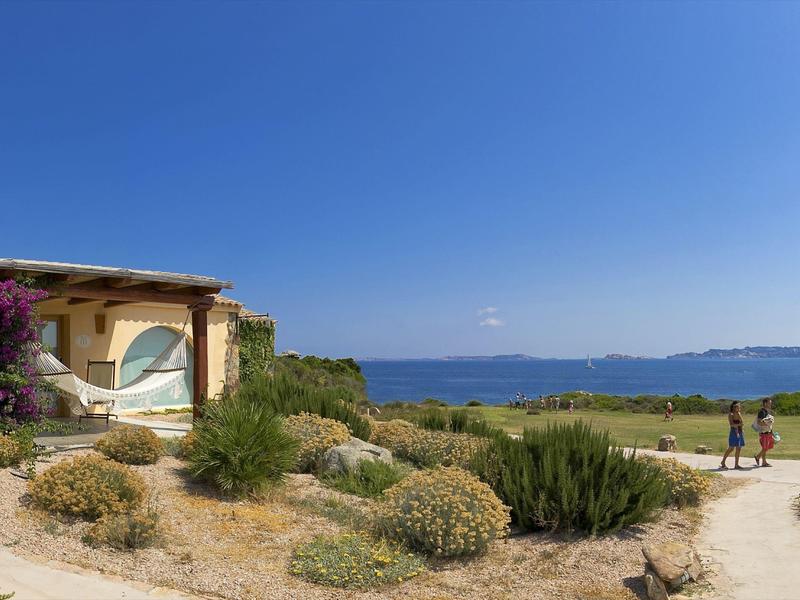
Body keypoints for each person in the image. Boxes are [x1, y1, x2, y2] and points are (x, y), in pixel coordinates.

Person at [720, 401, 745, 470]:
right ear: (734, 407)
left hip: (740, 431)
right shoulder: (730, 414)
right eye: (738, 407)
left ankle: (736, 465)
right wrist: (738, 424)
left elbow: (742, 422)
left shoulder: (739, 413)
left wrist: (738, 424)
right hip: (733, 432)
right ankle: (723, 462)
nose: (739, 408)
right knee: (731, 448)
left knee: (739, 448)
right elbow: (731, 424)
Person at [755, 398, 775, 467]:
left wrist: (772, 432)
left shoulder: (767, 411)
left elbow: (769, 423)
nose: (771, 404)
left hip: (768, 432)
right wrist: (767, 424)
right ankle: (758, 457)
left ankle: (763, 462)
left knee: (766, 447)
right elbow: (759, 422)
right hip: (764, 433)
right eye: (770, 403)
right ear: (765, 403)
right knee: (765, 448)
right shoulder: (762, 412)